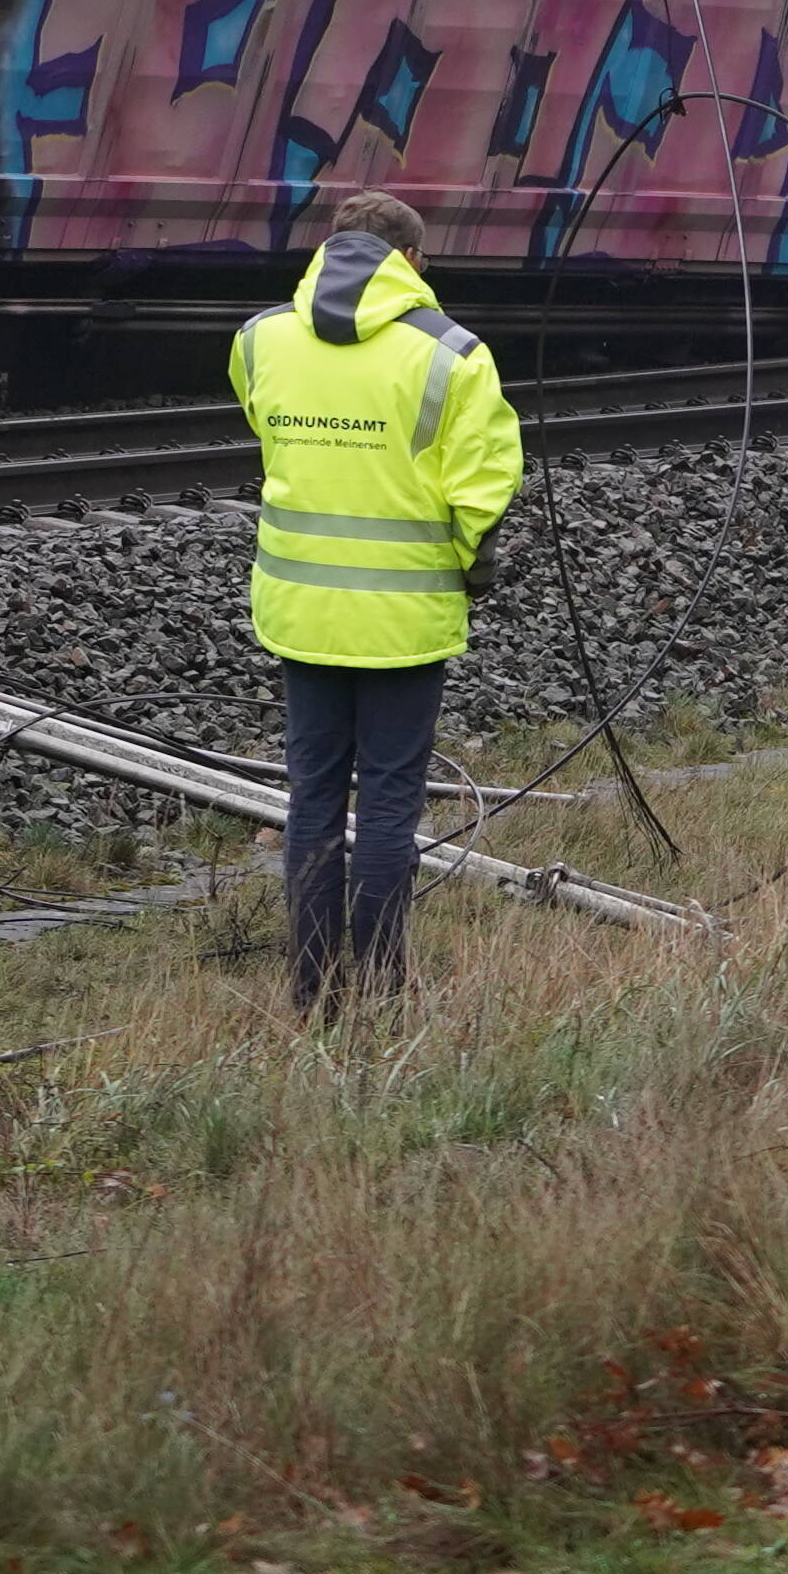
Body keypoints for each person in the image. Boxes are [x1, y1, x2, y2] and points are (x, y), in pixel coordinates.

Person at [228, 188, 529, 1012]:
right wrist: (474, 566)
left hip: (301, 612)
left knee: (313, 800)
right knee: (390, 804)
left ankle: (312, 987)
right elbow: (483, 492)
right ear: (413, 263)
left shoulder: (260, 341)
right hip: (405, 620)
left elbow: (271, 433)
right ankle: (385, 987)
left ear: (332, 248)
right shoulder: (454, 354)